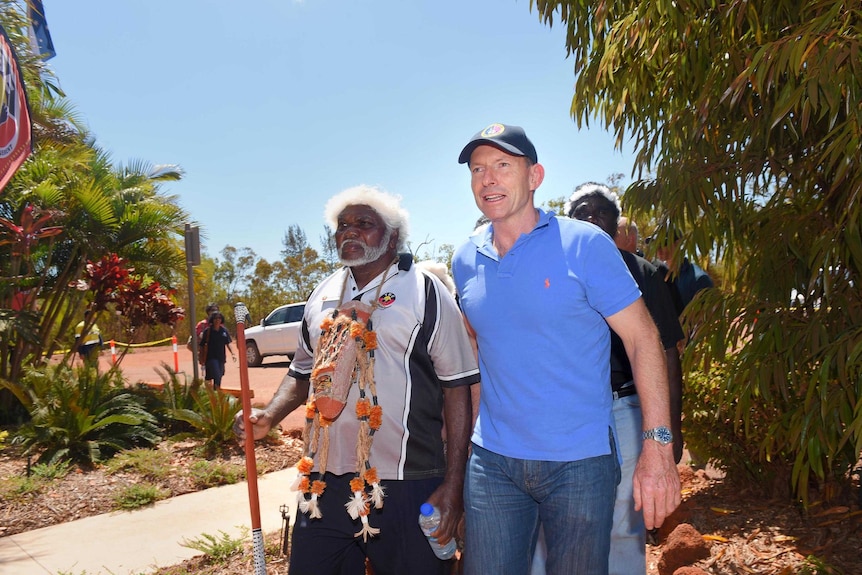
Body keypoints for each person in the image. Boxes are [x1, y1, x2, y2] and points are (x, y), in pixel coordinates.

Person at [451, 123, 680, 575]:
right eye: (478, 169)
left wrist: (658, 445)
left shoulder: (585, 244)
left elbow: (644, 338)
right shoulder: (465, 259)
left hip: (579, 464)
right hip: (494, 464)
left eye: (502, 165)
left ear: (534, 176)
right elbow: (478, 351)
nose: (488, 179)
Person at [233, 185, 479, 575]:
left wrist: (454, 485)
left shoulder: (425, 292)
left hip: (406, 479)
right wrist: (269, 415)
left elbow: (457, 388)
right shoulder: (322, 293)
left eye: (364, 223)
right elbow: (301, 372)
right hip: (324, 484)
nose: (349, 231)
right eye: (342, 225)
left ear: (392, 236)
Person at [566, 183, 685, 575]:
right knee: (567, 517)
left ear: (617, 224)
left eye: (602, 212)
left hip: (630, 410)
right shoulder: (558, 275)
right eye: (583, 211)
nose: (592, 218)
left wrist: (669, 430)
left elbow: (667, 353)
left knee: (624, 519)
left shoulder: (646, 274)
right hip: (572, 414)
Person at [645, 223, 714, 316]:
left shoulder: (699, 280)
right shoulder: (656, 275)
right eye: (655, 243)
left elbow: (705, 321)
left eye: (664, 243)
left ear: (678, 243)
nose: (658, 248)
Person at [199, 311, 236, 389]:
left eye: (219, 318)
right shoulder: (208, 331)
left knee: (218, 375)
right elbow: (202, 345)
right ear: (212, 320)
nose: (217, 320)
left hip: (221, 358)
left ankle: (213, 391)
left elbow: (228, 343)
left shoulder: (224, 331)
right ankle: (216, 393)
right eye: (215, 318)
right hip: (211, 358)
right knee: (217, 374)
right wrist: (201, 357)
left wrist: (233, 353)